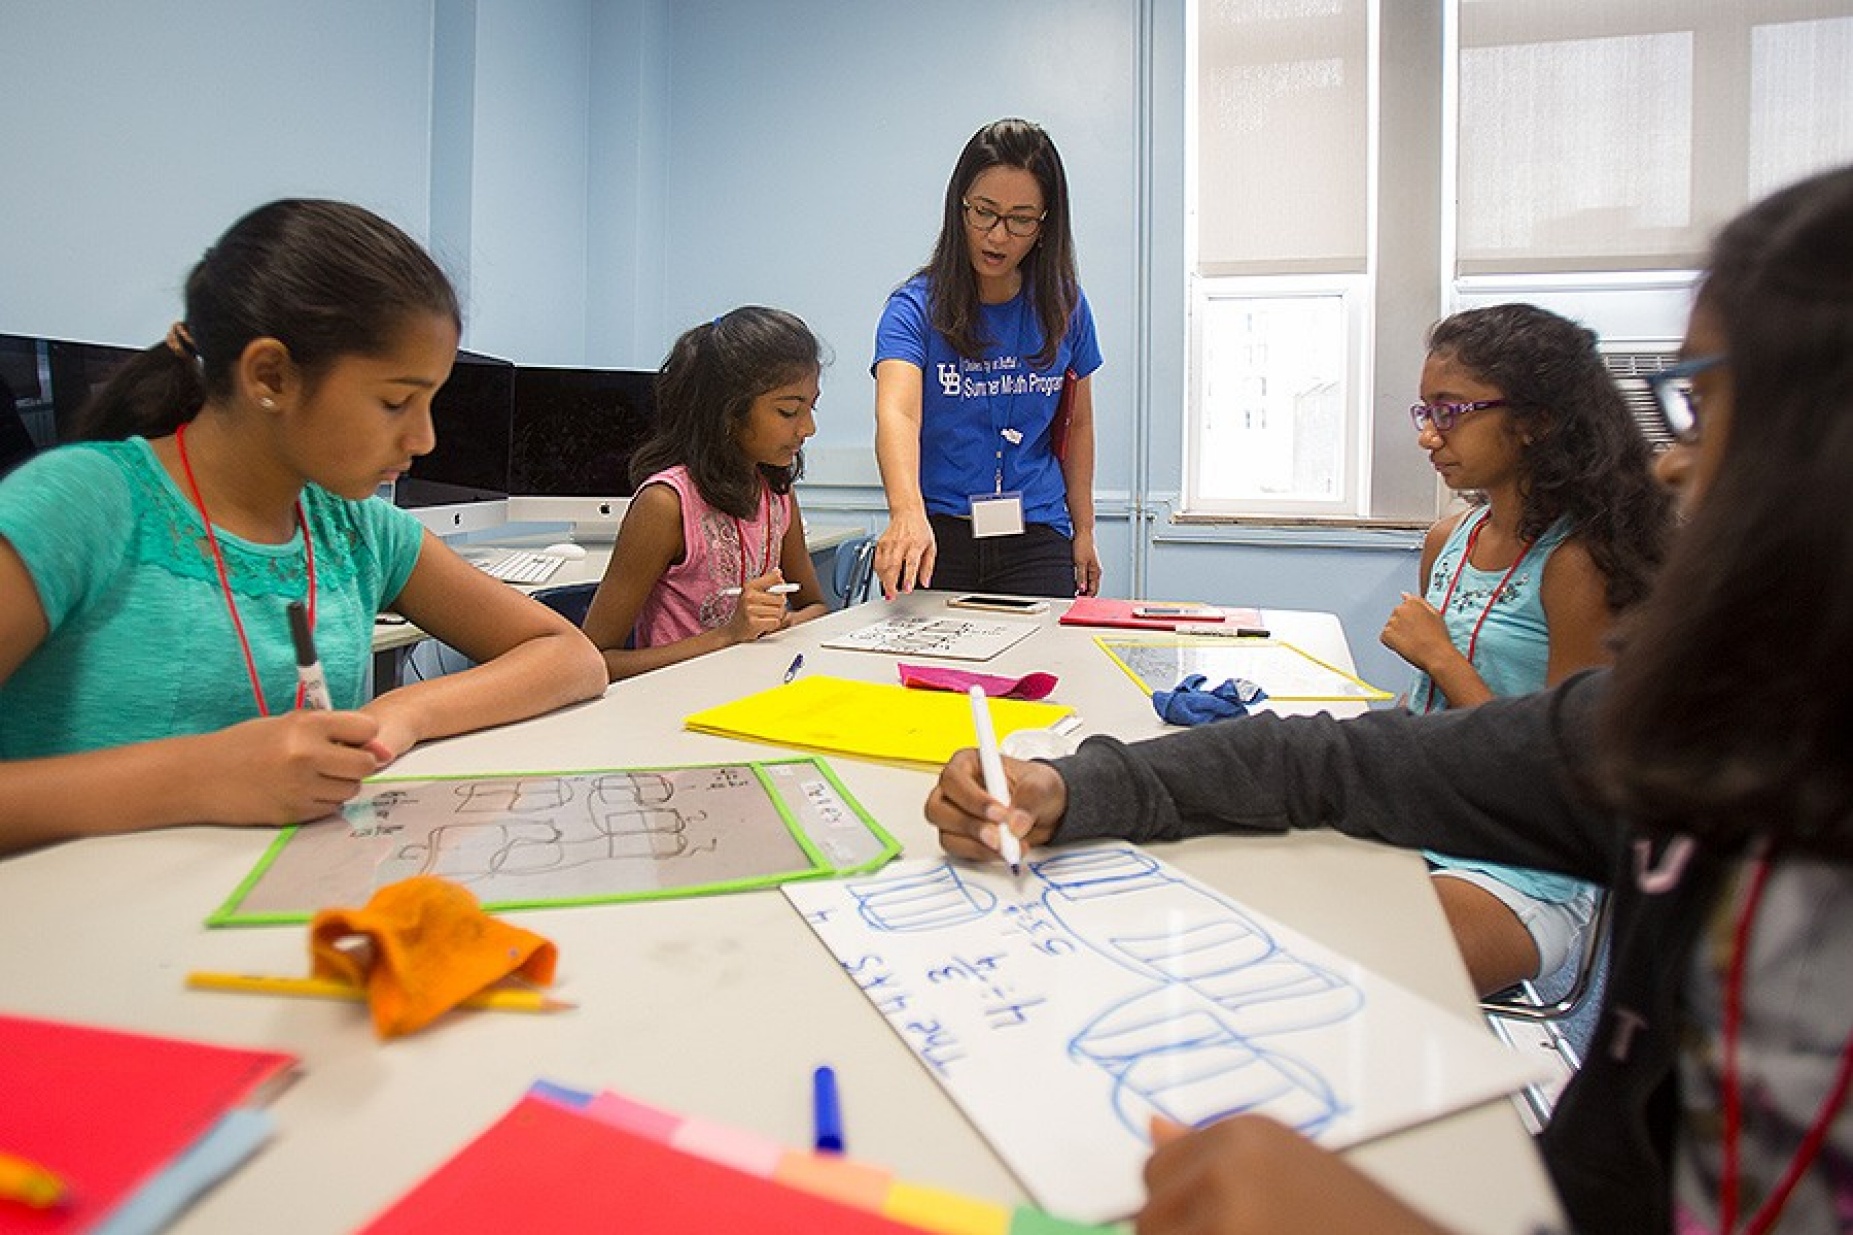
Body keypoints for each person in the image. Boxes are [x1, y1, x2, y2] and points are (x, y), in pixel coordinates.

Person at [925, 163, 1853, 1235]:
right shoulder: (1699, 736)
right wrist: (1069, 783)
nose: (1679, 465)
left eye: (1707, 403)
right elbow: (1334, 760)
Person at [0, 199, 607, 856]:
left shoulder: (355, 528)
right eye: (395, 401)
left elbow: (569, 657)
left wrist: (400, 714)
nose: (424, 437)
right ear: (271, 375)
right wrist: (201, 776)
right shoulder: (84, 503)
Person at [1383, 303, 1671, 995]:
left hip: (1526, 862)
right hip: (1432, 816)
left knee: (1364, 966)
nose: (1429, 435)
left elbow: (1562, 776)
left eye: (1449, 411)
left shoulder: (1576, 563)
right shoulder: (1446, 540)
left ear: (1536, 420)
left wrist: (1443, 661)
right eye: (1423, 412)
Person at [872, 118, 1103, 601]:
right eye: (984, 212)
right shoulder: (914, 308)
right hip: (938, 532)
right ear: (959, 208)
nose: (997, 236)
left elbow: (1078, 425)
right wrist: (906, 511)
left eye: (1020, 219)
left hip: (1036, 532)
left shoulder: (1065, 307)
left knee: (1042, 670)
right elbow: (898, 410)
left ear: (1045, 225)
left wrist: (1084, 530)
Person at [581, 307, 829, 680]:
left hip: (749, 695)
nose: (808, 428)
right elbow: (595, 660)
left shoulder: (777, 495)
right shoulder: (666, 505)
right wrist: (729, 635)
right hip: (673, 708)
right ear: (729, 413)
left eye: (811, 407)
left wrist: (783, 623)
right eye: (788, 411)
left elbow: (815, 607)